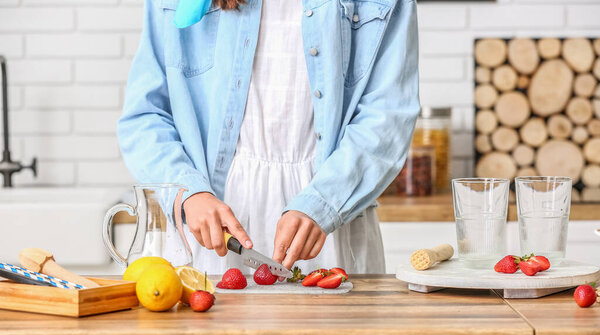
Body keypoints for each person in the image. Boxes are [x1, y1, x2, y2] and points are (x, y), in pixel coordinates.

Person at [118, 0, 420, 274]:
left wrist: (324, 203)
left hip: (331, 226)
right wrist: (189, 192)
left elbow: (388, 115)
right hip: (212, 233)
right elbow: (145, 115)